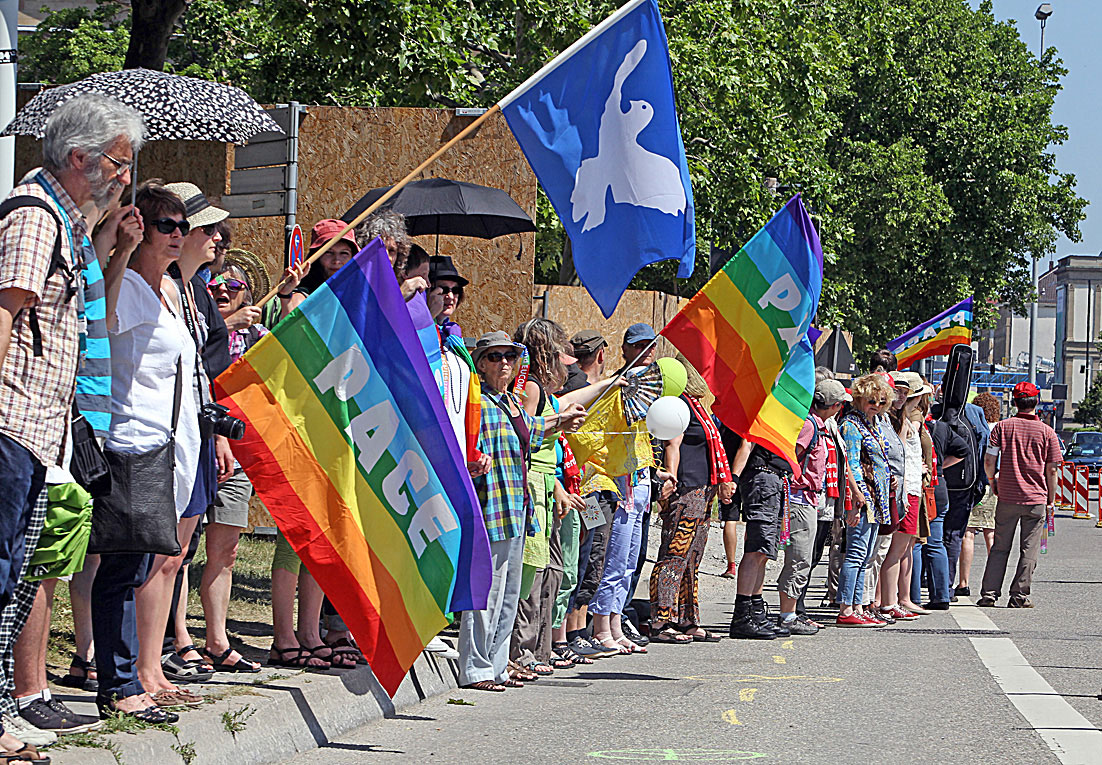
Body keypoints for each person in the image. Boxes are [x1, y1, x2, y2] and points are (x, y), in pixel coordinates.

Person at [0, 94, 144, 756]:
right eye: (119, 163)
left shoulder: (68, 221)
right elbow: (6, 311)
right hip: (10, 425)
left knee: (14, 574)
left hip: (38, 432)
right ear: (79, 158)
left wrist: (111, 242)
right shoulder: (33, 218)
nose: (125, 176)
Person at [93, 181, 203, 723]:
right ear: (142, 227)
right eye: (166, 225)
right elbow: (103, 316)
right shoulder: (133, 284)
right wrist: (121, 251)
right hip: (130, 441)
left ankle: (139, 672)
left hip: (166, 445)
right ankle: (115, 683)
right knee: (121, 567)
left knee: (145, 564)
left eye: (183, 227)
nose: (177, 235)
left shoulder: (171, 290)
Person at [458, 332, 586, 691]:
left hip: (516, 508)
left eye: (509, 357)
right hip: (489, 508)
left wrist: (563, 420)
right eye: (495, 357)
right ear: (481, 364)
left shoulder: (509, 404)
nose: (504, 363)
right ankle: (476, 669)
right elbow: (460, 448)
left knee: (509, 595)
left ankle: (497, 666)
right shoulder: (477, 404)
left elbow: (534, 429)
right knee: (486, 593)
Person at [157, 181, 233, 688]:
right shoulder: (160, 285)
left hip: (198, 432)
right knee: (162, 551)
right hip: (163, 433)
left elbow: (210, 369)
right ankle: (162, 645)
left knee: (182, 547)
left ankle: (176, 639)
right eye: (206, 229)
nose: (216, 239)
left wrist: (221, 434)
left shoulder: (195, 293)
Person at [197, 263, 265, 673]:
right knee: (178, 550)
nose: (223, 289)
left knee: (225, 550)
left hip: (236, 451)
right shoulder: (193, 315)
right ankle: (178, 637)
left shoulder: (258, 338)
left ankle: (217, 640)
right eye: (216, 283)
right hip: (196, 441)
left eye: (234, 284)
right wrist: (226, 321)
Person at [650, 359, 731, 643]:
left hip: (703, 491)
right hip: (686, 490)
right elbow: (672, 444)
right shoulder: (678, 405)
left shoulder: (696, 406)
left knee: (692, 557)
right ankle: (662, 619)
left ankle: (687, 618)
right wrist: (670, 479)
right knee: (675, 554)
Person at [977, 382, 1062, 608]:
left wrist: (993, 481)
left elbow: (989, 460)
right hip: (1036, 498)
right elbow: (1052, 469)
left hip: (1007, 495)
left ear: (1015, 403)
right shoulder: (1048, 433)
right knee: (1029, 548)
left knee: (1000, 546)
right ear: (1037, 402)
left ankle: (989, 593)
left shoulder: (1002, 428)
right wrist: (1051, 500)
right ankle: (1019, 595)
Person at [776, 379, 847, 636]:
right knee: (799, 557)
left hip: (809, 498)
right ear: (834, 405)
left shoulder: (818, 425)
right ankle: (787, 615)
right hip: (800, 498)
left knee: (804, 557)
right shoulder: (809, 426)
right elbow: (792, 456)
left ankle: (792, 612)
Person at [834, 374, 896, 627]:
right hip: (863, 497)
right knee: (856, 553)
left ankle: (858, 605)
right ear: (860, 397)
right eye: (872, 400)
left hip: (876, 497)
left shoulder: (872, 423)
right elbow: (850, 464)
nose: (877, 406)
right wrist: (856, 496)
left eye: (882, 402)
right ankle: (846, 607)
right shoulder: (851, 424)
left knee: (866, 555)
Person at [877, 372, 932, 621]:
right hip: (903, 488)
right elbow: (896, 455)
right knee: (893, 549)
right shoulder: (898, 420)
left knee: (901, 547)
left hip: (910, 487)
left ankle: (891, 600)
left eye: (905, 391)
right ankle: (887, 602)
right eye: (896, 391)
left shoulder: (905, 417)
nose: (901, 396)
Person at [912, 388, 968, 611]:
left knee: (915, 542)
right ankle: (941, 596)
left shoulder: (914, 427)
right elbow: (963, 450)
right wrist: (940, 466)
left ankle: (912, 596)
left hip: (922, 487)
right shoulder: (942, 427)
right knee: (936, 543)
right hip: (939, 486)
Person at [958, 393, 1001, 594]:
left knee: (968, 533)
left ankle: (964, 583)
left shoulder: (974, 428)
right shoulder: (1000, 429)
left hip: (976, 483)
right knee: (991, 534)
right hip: (995, 485)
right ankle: (993, 583)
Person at [426, 255, 467, 338]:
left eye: (455, 290)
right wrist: (430, 315)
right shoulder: (414, 327)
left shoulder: (452, 333)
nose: (450, 296)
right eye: (443, 289)